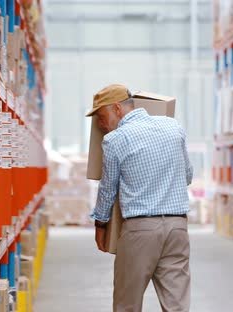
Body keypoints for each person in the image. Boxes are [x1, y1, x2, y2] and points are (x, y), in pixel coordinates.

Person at [86, 84, 192, 312]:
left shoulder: (115, 140)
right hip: (177, 228)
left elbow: (107, 190)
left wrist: (100, 225)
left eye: (101, 117)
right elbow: (188, 175)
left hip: (140, 230)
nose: (100, 125)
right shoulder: (173, 127)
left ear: (117, 109)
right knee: (177, 306)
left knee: (127, 304)